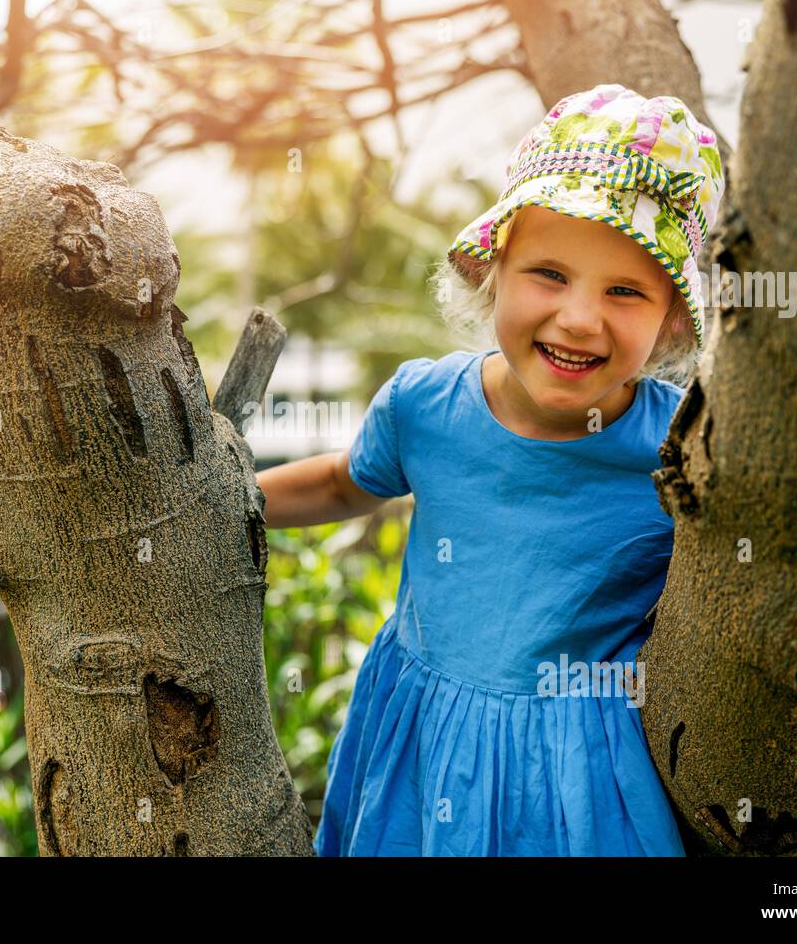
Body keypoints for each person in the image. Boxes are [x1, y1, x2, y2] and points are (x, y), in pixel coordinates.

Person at [256, 82, 725, 855]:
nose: (579, 317)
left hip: (577, 779)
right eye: (549, 273)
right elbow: (345, 480)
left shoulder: (679, 451)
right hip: (419, 741)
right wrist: (230, 499)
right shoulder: (427, 405)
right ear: (493, 270)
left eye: (624, 291)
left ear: (672, 315)